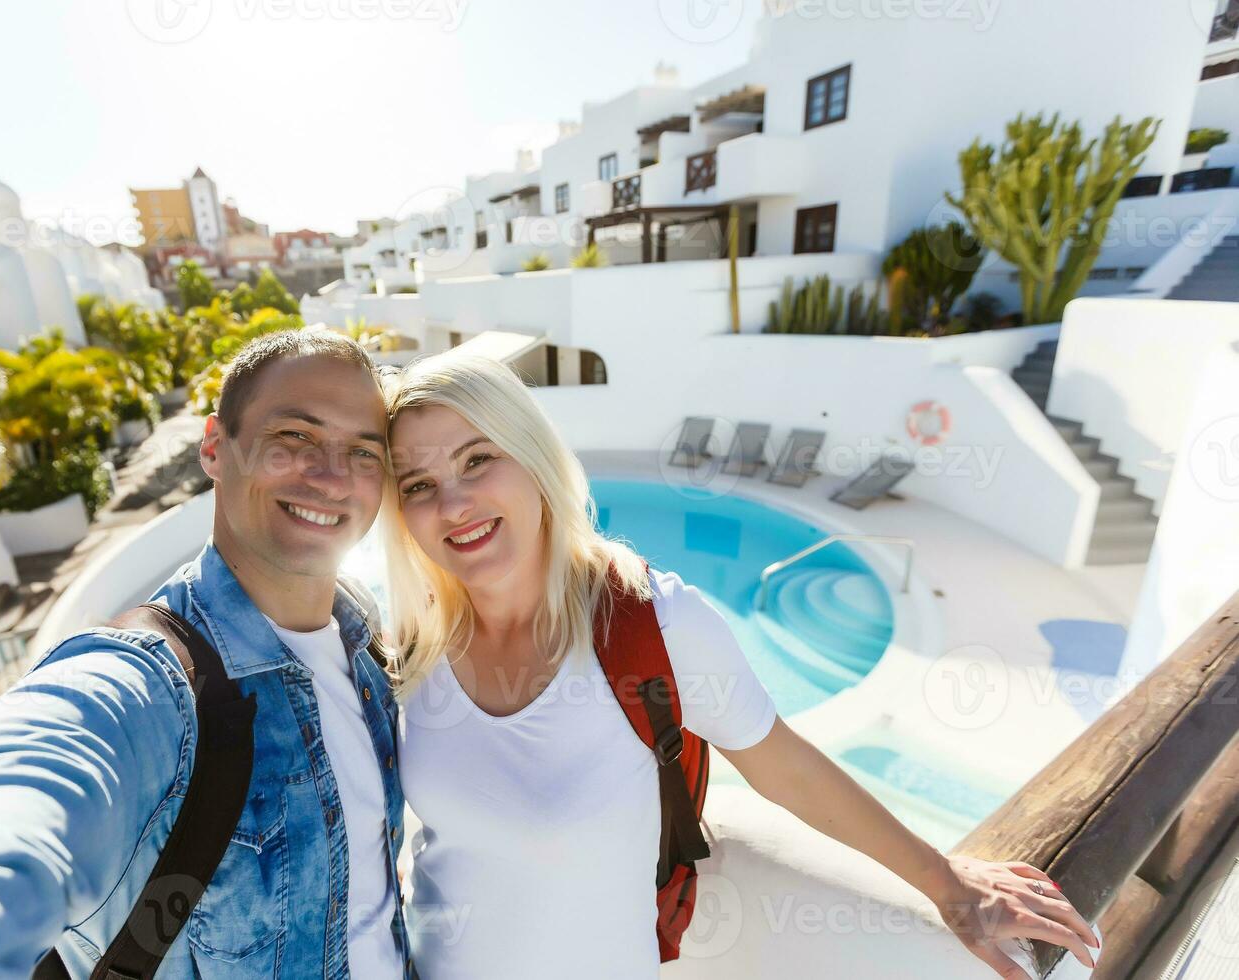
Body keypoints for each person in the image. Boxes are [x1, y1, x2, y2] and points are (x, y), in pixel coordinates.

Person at [378, 352, 1102, 979]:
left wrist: (947, 885)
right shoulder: (414, 643)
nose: (453, 503)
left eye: (478, 460)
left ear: (532, 456)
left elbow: (784, 767)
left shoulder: (654, 623)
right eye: (417, 485)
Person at [0, 330, 412, 979]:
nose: (332, 477)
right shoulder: (147, 686)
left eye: (363, 451)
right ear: (216, 446)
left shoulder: (362, 640)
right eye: (293, 438)